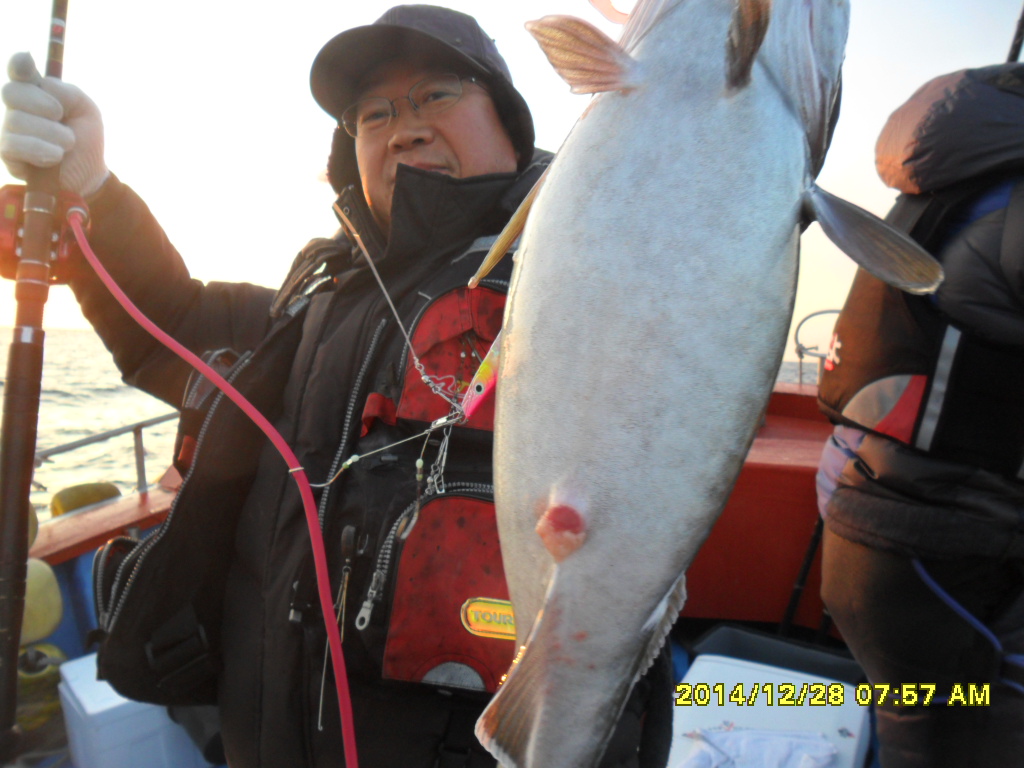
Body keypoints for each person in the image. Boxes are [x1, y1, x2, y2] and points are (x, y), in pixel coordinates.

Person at [2, 5, 674, 767]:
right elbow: (178, 320)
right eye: (373, 114)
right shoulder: (319, 292)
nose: (404, 129)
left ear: (510, 122)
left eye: (436, 94)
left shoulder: (580, 265)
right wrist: (93, 188)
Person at [815, 63, 1024, 767]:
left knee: (923, 728)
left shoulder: (961, 174)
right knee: (966, 737)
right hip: (947, 543)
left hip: (871, 510)